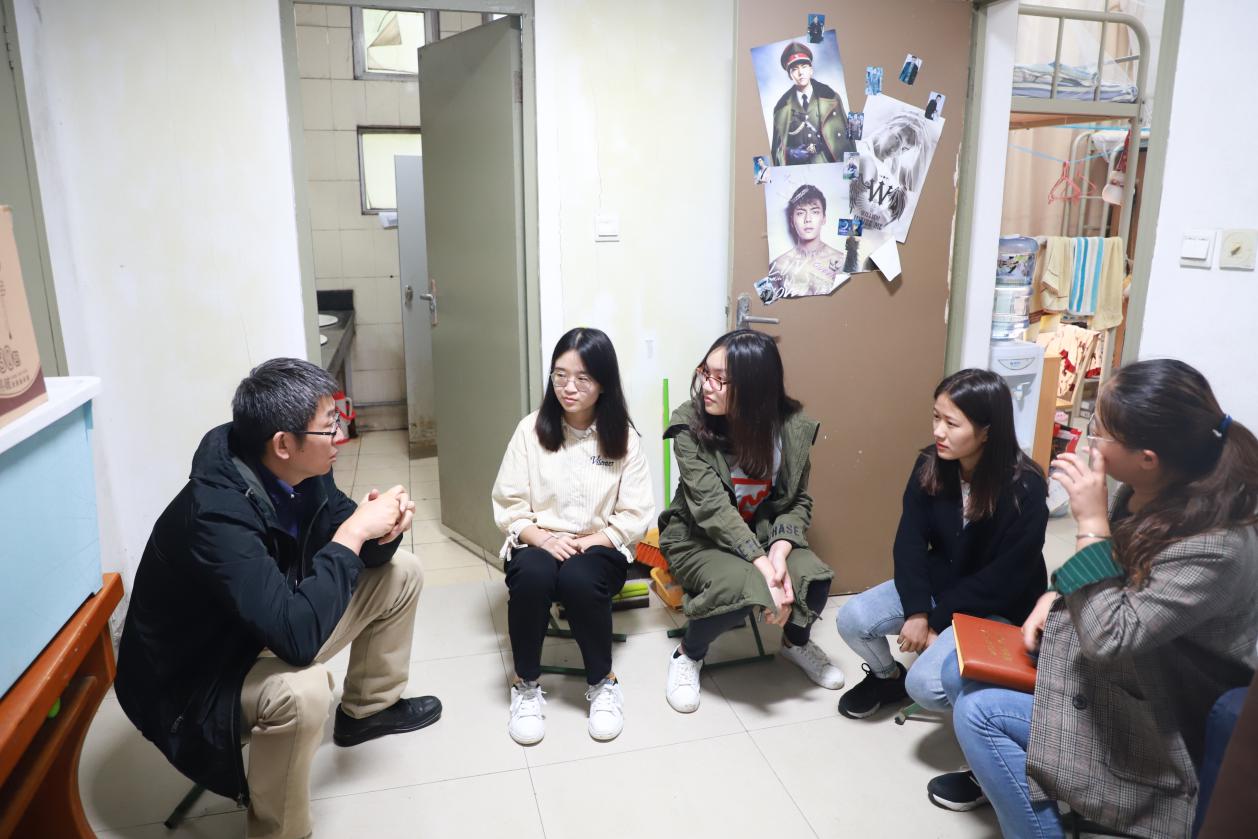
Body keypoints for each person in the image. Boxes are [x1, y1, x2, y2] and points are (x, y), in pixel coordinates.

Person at [116, 358, 440, 839]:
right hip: (194, 683)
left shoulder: (303, 471)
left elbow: (350, 544)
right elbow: (297, 640)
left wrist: (382, 531)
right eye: (329, 427)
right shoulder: (216, 516)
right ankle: (279, 832)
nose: (341, 436)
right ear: (283, 444)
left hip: (257, 628)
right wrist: (353, 534)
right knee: (303, 691)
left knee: (401, 572)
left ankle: (367, 711)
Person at [947, 359, 1258, 838]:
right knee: (958, 674)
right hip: (1122, 668)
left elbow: (1111, 637)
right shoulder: (1143, 488)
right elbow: (1106, 568)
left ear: (1147, 457)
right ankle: (1011, 776)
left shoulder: (1218, 544)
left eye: (1099, 432)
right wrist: (1052, 596)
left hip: (1162, 714)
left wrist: (1090, 524)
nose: (1089, 441)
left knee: (978, 712)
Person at [834, 369, 1048, 808]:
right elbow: (909, 542)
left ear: (987, 431)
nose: (938, 431)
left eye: (952, 423)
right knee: (852, 618)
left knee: (927, 685)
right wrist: (917, 611)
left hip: (995, 605)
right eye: (936, 417)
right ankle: (886, 679)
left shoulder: (1025, 487)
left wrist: (936, 620)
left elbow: (1004, 579)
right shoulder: (930, 465)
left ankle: (990, 750)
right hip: (939, 585)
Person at [659, 330, 842, 713]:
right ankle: (688, 654)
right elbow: (711, 508)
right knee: (742, 587)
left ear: (756, 388)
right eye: (705, 373)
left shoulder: (790, 428)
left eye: (720, 379)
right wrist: (764, 568)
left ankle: (795, 643)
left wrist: (779, 552)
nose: (706, 386)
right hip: (697, 537)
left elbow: (796, 501)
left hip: (763, 535)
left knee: (813, 578)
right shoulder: (689, 424)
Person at [492, 327, 654, 745]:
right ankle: (526, 684)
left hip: (599, 544)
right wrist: (543, 539)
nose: (568, 388)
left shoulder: (623, 438)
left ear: (603, 383)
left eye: (583, 378)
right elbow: (509, 503)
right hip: (537, 538)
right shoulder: (530, 430)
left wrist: (593, 541)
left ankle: (603, 682)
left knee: (580, 579)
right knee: (533, 576)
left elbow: (636, 513)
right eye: (560, 376)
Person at [770, 41, 855, 166]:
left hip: (831, 167)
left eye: (804, 67)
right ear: (790, 75)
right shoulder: (780, 108)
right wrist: (790, 153)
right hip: (798, 172)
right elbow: (775, 150)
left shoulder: (831, 97)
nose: (800, 73)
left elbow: (849, 139)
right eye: (794, 69)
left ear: (811, 70)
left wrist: (853, 174)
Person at [851, 109, 931, 233]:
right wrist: (889, 214)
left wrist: (924, 149)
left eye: (904, 149)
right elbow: (849, 214)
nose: (896, 150)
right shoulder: (857, 153)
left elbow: (912, 184)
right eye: (897, 138)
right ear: (889, 125)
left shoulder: (892, 162)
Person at [767, 184, 847, 298]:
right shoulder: (777, 265)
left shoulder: (842, 261)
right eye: (800, 213)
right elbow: (763, 303)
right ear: (792, 221)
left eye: (815, 212)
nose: (808, 219)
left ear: (824, 218)